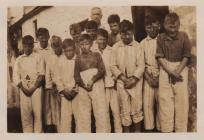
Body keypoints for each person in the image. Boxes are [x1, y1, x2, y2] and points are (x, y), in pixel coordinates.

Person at [155, 12, 191, 132]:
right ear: (164, 26)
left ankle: (180, 131)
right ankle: (167, 130)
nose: (173, 30)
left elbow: (186, 56)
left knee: (181, 102)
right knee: (165, 101)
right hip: (166, 68)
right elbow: (160, 57)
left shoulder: (184, 36)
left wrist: (177, 72)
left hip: (181, 68)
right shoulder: (160, 38)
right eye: (170, 27)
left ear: (179, 25)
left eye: (175, 27)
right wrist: (170, 72)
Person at [111, 20, 145, 132]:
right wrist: (123, 78)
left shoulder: (138, 46)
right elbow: (113, 66)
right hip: (122, 81)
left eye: (128, 34)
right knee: (124, 109)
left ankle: (137, 133)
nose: (126, 37)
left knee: (137, 108)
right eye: (123, 34)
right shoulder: (115, 47)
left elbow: (141, 65)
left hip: (135, 81)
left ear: (133, 32)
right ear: (120, 33)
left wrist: (134, 79)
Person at [74, 33, 110, 133]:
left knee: (100, 112)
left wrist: (92, 80)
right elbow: (76, 76)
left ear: (90, 44)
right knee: (84, 114)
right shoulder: (78, 58)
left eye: (86, 44)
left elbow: (102, 70)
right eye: (81, 44)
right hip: (83, 87)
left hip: (96, 85)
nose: (83, 46)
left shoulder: (96, 55)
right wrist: (84, 85)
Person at [91, 28, 122, 133]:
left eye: (104, 39)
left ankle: (119, 133)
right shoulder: (93, 52)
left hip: (112, 85)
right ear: (96, 40)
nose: (102, 41)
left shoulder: (112, 50)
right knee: (103, 113)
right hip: (99, 87)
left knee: (116, 112)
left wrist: (114, 80)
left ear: (107, 39)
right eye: (100, 39)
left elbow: (116, 67)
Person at [13, 35, 45, 132]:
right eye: (25, 45)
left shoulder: (38, 57)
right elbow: (15, 76)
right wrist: (23, 88)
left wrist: (33, 87)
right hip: (24, 90)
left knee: (37, 115)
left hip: (36, 89)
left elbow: (41, 75)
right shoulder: (19, 59)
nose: (28, 47)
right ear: (22, 45)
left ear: (33, 46)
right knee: (26, 116)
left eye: (30, 45)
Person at [140, 15, 160, 132]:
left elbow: (166, 61)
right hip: (147, 75)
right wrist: (149, 78)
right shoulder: (142, 43)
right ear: (145, 28)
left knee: (162, 103)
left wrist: (159, 78)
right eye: (148, 27)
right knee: (147, 105)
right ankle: (149, 129)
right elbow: (141, 64)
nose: (151, 29)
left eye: (153, 27)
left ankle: (162, 128)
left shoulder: (163, 40)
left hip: (161, 75)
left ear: (157, 26)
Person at [55, 39, 79, 133]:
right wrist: (63, 91)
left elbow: (80, 77)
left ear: (74, 49)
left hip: (76, 93)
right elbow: (57, 78)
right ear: (63, 51)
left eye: (71, 50)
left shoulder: (78, 59)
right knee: (65, 120)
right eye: (66, 51)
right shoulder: (60, 60)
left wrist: (75, 90)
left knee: (79, 118)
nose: (69, 53)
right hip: (65, 94)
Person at [34, 27, 53, 132]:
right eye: (41, 38)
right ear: (37, 38)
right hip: (38, 80)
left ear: (48, 37)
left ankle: (49, 125)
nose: (44, 40)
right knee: (39, 104)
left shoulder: (52, 49)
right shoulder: (35, 49)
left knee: (48, 104)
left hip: (49, 79)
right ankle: (40, 126)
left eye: (46, 38)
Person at [45, 35, 63, 132]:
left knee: (64, 110)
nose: (56, 48)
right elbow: (48, 74)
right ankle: (58, 130)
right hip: (54, 88)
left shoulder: (65, 56)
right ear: (52, 47)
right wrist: (50, 87)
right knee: (55, 110)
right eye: (54, 46)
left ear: (61, 44)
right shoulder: (50, 58)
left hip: (64, 87)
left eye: (58, 45)